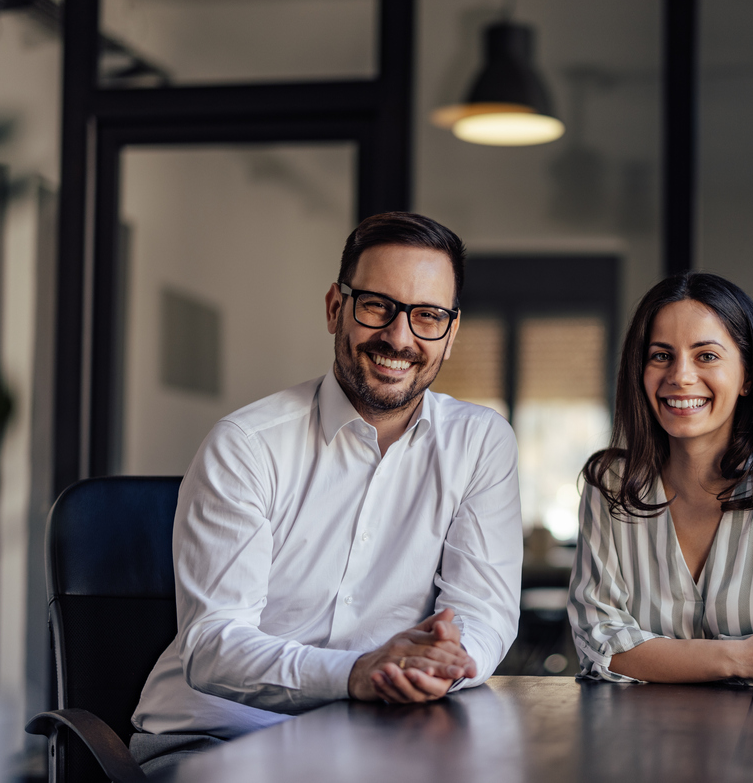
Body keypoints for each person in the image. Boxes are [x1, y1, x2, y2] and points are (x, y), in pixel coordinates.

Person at [130, 212, 523, 771]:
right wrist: (357, 672)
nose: (399, 336)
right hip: (217, 740)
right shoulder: (245, 445)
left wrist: (446, 663)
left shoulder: (481, 443)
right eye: (376, 306)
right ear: (336, 308)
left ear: (451, 334)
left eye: (428, 316)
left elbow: (483, 613)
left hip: (378, 743)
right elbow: (214, 645)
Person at [567, 272, 753, 684]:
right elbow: (600, 646)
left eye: (706, 356)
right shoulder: (612, 484)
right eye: (661, 355)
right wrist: (740, 658)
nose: (681, 376)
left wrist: (653, 655)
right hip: (642, 739)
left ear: (749, 376)